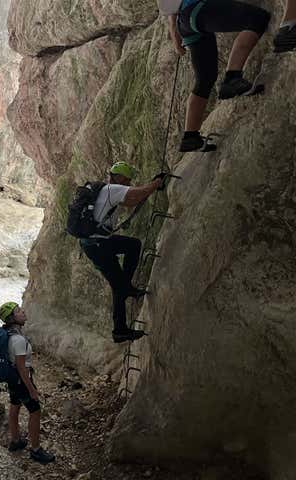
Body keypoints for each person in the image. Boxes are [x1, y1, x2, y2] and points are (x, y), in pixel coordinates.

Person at [159, 0, 270, 152]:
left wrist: (176, 40)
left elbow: (170, 14)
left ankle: (190, 137)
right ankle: (232, 78)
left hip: (186, 22)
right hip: (199, 10)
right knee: (257, 18)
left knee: (205, 79)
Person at [80, 162, 162, 343]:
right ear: (118, 177)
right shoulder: (111, 189)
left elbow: (131, 202)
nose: (128, 183)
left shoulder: (106, 191)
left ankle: (125, 294)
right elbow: (136, 194)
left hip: (96, 243)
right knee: (131, 251)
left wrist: (149, 188)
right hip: (98, 244)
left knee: (130, 251)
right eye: (126, 180)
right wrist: (156, 183)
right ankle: (120, 329)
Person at [0, 302, 55, 464]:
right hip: (21, 380)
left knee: (15, 406)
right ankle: (36, 450)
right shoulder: (17, 340)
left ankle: (16, 440)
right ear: (12, 318)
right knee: (35, 411)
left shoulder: (9, 335)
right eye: (18, 311)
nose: (23, 312)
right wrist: (32, 389)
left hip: (13, 380)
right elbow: (22, 368)